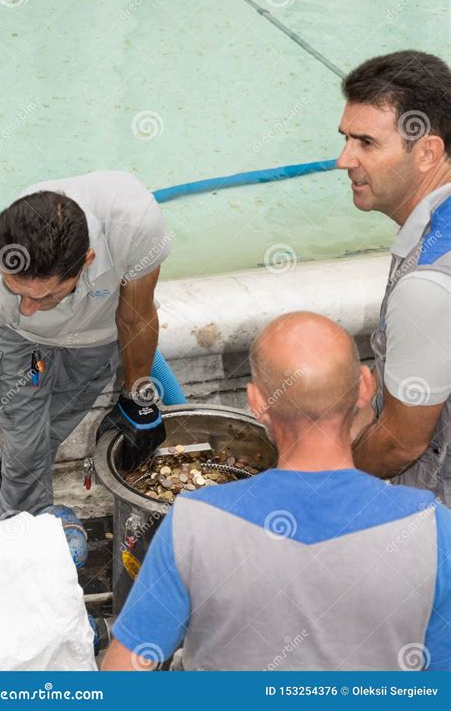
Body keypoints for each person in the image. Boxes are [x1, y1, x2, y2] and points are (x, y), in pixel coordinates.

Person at [102, 313, 450, 671]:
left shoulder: (194, 522)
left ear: (256, 402)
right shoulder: (433, 528)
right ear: (365, 386)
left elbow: (123, 674)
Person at [0, 170, 171, 519]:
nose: (28, 308)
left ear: (87, 261)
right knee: (25, 440)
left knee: (45, 437)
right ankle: (28, 532)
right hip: (17, 341)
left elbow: (137, 316)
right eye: (17, 292)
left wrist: (137, 396)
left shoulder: (134, 224)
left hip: (96, 340)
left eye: (45, 295)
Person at [337, 50, 450, 505]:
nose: (343, 160)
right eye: (345, 139)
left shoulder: (427, 282)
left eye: (366, 143)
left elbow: (402, 444)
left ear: (427, 152)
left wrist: (327, 478)